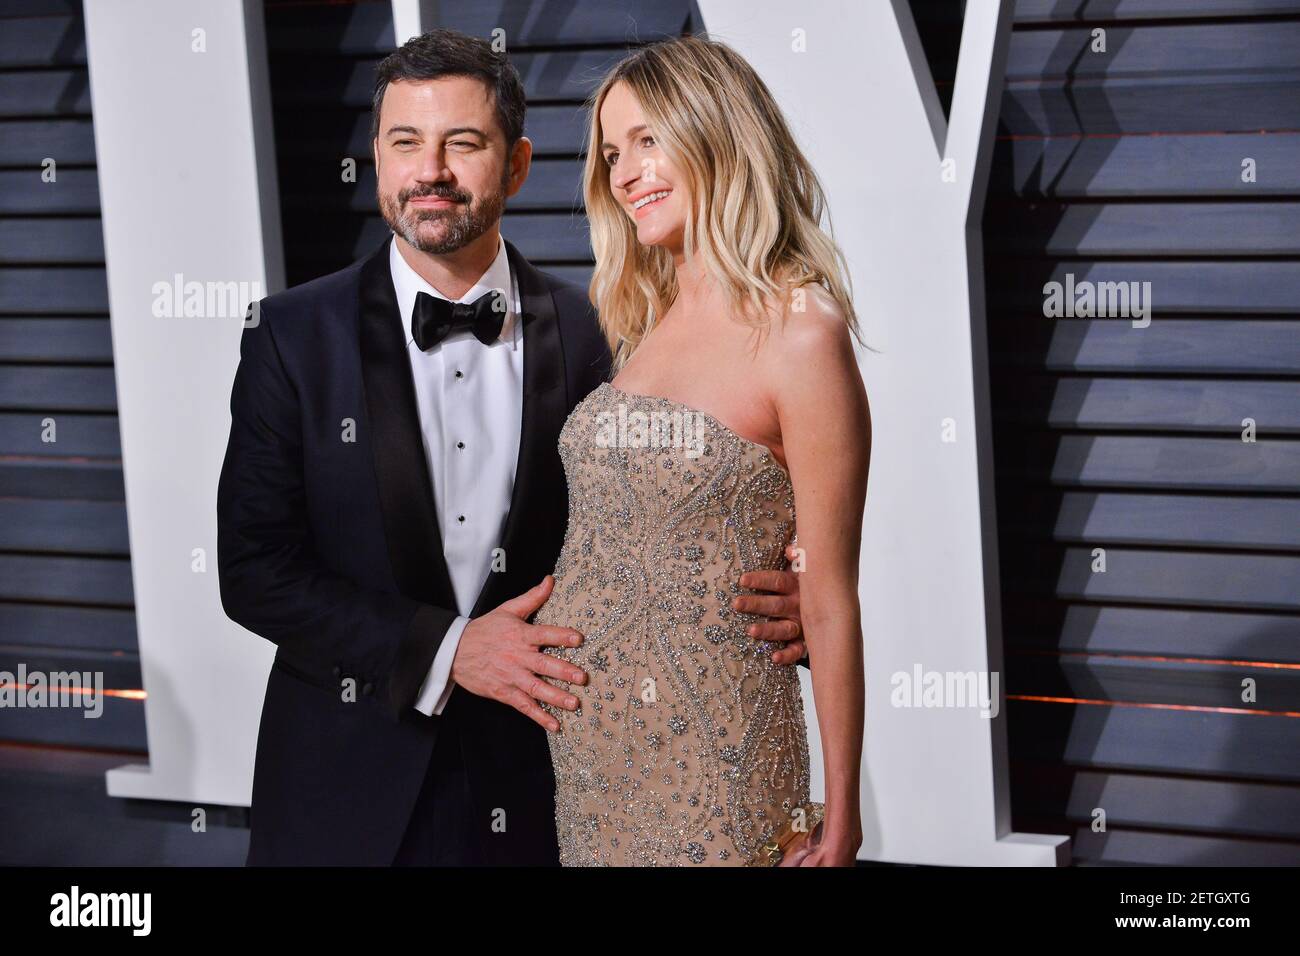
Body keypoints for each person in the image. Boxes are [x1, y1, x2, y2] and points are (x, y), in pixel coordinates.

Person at [216, 28, 807, 866]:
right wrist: (449, 649)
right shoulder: (290, 335)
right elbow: (253, 570)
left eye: (464, 143)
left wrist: (794, 592)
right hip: (343, 799)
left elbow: (715, 488)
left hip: (557, 786)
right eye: (405, 143)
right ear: (378, 160)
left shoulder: (614, 331)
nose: (431, 170)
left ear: (518, 164)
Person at [532, 35, 870, 866]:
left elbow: (827, 597)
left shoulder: (800, 331)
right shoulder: (639, 327)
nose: (625, 172)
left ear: (715, 131)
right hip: (593, 759)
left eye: (648, 140)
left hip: (723, 757)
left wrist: (843, 811)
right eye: (612, 153)